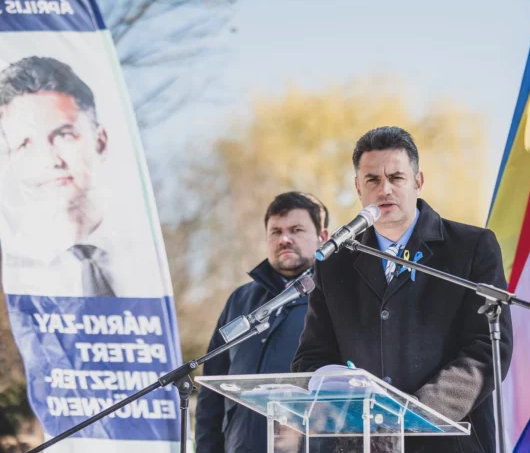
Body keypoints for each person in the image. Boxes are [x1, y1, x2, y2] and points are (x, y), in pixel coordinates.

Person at [291, 126, 513, 453]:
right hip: (361, 444)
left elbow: (488, 350)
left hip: (448, 443)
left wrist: (412, 415)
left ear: (418, 182)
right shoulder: (334, 262)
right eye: (372, 180)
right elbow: (311, 357)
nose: (385, 190)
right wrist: (338, 392)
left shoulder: (471, 247)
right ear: (358, 187)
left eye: (396, 178)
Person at [0, 56, 155, 297]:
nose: (49, 160)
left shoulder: (154, 256)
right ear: (10, 159)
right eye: (25, 145)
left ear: (100, 141)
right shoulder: (11, 275)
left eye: (64, 135)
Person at [195, 191, 330, 453]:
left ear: (322, 237)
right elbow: (211, 395)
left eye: (296, 230)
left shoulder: (337, 297)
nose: (284, 239)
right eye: (275, 232)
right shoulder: (241, 300)